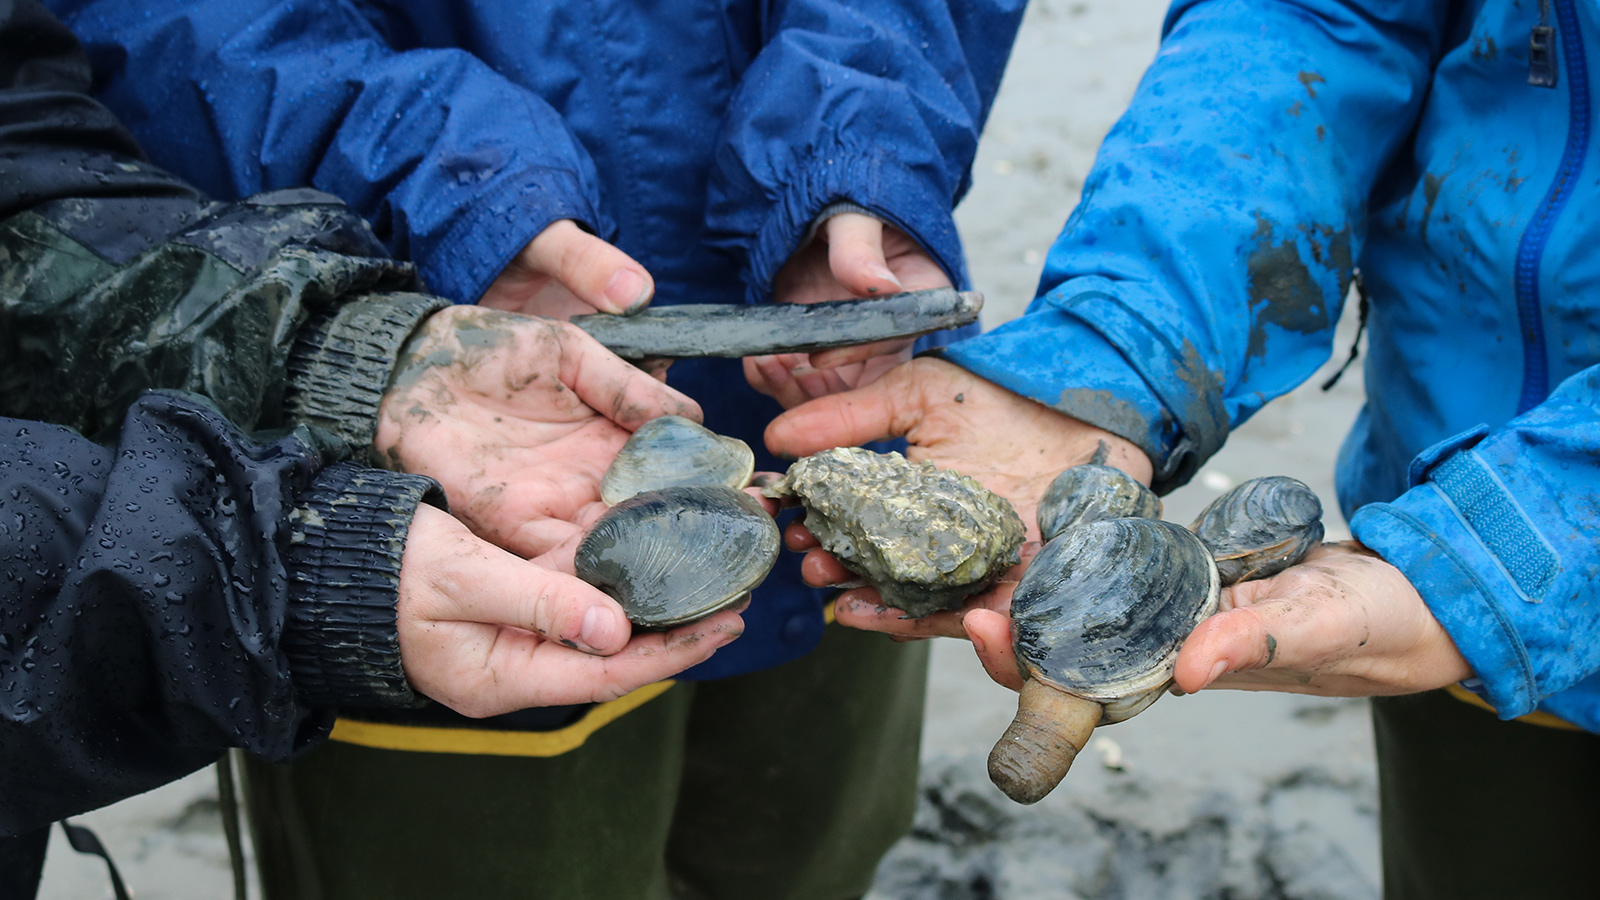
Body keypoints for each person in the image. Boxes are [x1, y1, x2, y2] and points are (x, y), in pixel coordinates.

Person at [45, 1, 1030, 896]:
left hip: (841, 400)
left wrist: (863, 148)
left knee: (803, 853)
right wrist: (451, 184)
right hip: (413, 446)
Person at [764, 1, 1600, 897]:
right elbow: (1315, 20)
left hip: (1454, 572)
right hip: (1443, 564)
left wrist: (1509, 552)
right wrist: (1121, 353)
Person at [0, 3, 743, 894]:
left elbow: (23, 172)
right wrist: (286, 574)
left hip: (418, 407)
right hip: (379, 514)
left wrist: (339, 356)